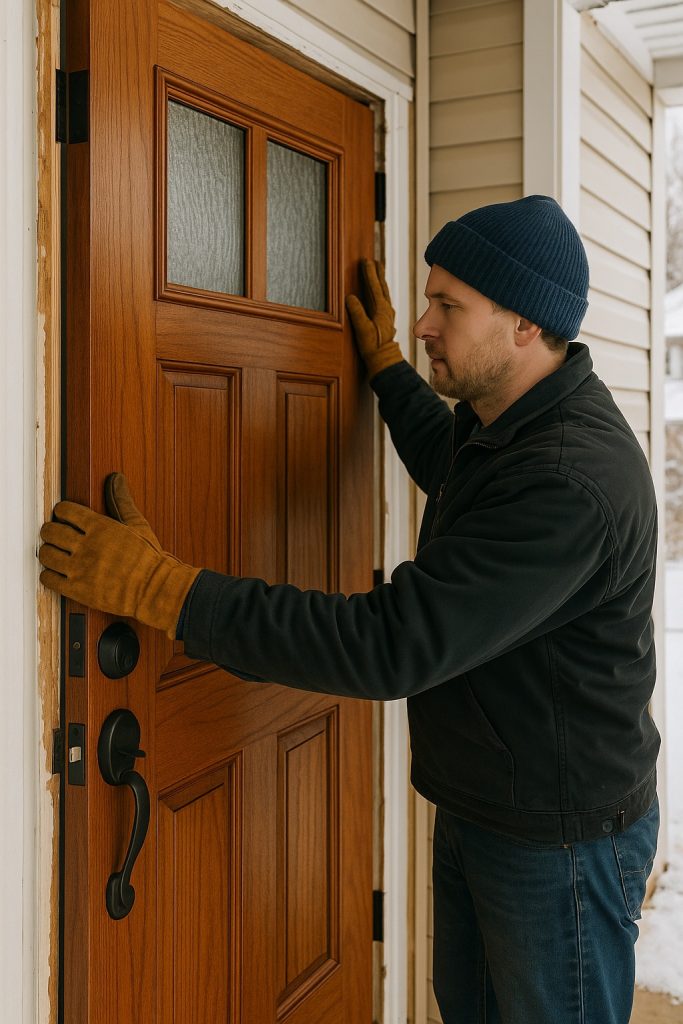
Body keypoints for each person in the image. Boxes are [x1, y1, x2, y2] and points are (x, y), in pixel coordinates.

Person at [39, 194, 660, 1024]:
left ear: (523, 325)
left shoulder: (567, 480)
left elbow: (387, 644)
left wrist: (158, 588)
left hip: (560, 848)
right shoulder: (510, 426)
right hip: (493, 809)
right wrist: (389, 372)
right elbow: (453, 465)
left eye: (448, 306)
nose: (427, 323)